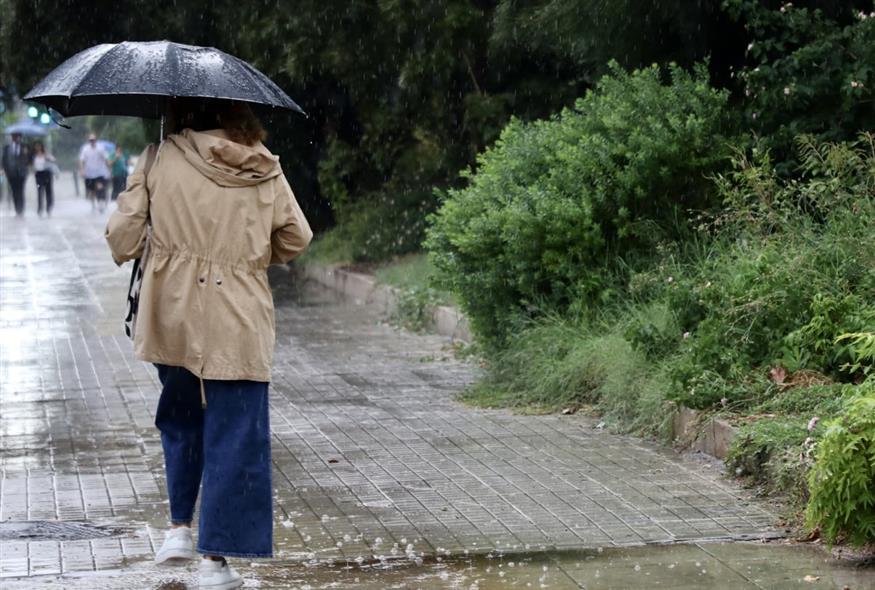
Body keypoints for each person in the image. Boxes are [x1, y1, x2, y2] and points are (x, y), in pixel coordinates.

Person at [105, 100, 312, 590]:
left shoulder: (159, 157)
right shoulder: (263, 166)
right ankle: (214, 563)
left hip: (172, 312)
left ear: (182, 114)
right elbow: (295, 238)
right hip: (238, 316)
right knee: (234, 433)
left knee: (180, 416)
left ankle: (178, 528)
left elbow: (122, 240)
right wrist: (246, 256)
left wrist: (159, 216)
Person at [2, 132, 31, 216]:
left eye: (17, 136)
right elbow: (4, 160)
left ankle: (21, 209)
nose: (15, 138)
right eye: (14, 136)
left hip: (22, 173)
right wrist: (4, 170)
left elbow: (29, 159)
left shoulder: (24, 147)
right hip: (11, 173)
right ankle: (17, 209)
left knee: (21, 190)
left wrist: (26, 154)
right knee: (14, 191)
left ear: (20, 137)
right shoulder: (7, 148)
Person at [79, 133, 110, 212]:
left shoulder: (100, 148)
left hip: (100, 172)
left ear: (96, 140)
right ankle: (93, 204)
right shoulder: (85, 149)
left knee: (100, 187)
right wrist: (82, 170)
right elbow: (82, 160)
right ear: (89, 141)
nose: (92, 141)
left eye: (93, 140)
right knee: (92, 190)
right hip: (89, 173)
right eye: (91, 140)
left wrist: (108, 169)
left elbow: (106, 158)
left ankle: (101, 202)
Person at [32, 142, 57, 217]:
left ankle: (49, 208)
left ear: (41, 147)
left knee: (48, 192)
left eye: (39, 146)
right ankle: (40, 209)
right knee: (39, 192)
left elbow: (53, 160)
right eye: (36, 147)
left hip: (46, 174)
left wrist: (47, 157)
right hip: (38, 175)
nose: (38, 148)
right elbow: (32, 165)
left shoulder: (46, 154)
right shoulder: (34, 156)